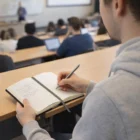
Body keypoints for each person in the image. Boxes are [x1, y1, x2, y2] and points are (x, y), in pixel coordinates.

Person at [16, 0, 140, 139]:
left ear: (118, 4)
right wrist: (90, 86)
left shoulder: (107, 98)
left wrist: (29, 124)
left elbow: (115, 100)